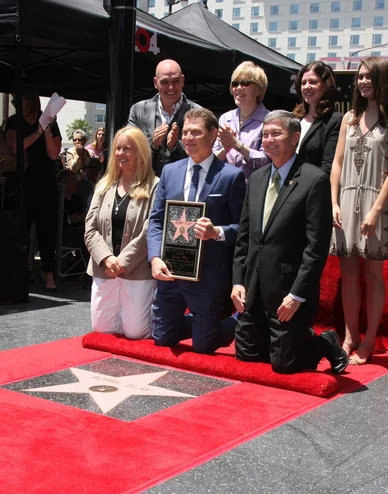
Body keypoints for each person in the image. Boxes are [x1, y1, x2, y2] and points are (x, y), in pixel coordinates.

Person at [232, 110, 348, 375]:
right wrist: (238, 282)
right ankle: (283, 341)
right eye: (265, 134)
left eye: (276, 134)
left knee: (284, 365)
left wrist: (297, 295)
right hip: (254, 290)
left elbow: (316, 248)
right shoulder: (257, 180)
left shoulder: (314, 180)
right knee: (247, 356)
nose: (269, 139)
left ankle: (323, 342)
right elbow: (244, 238)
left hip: (288, 294)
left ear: (295, 138)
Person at [148, 108, 246, 354]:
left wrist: (217, 232)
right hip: (171, 271)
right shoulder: (170, 172)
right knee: (162, 339)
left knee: (204, 347)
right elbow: (156, 220)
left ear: (213, 135)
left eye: (196, 132)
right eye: (185, 132)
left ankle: (237, 321)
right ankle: (202, 324)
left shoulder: (231, 176)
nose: (188, 138)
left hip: (208, 277)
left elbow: (243, 228)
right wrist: (155, 258)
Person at [330, 57, 388, 365]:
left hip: (376, 204)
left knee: (372, 275)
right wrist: (333, 202)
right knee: (347, 275)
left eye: (369, 76)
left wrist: (376, 210)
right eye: (360, 76)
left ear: (382, 79)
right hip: (345, 202)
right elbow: (337, 163)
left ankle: (369, 340)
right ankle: (349, 337)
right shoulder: (348, 118)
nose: (363, 81)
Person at [84, 126, 159, 339]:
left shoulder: (154, 186)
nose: (121, 154)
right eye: (118, 148)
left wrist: (122, 262)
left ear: (141, 153)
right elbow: (90, 228)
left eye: (128, 149)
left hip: (137, 270)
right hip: (104, 268)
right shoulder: (103, 185)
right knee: (102, 329)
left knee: (136, 332)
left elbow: (150, 229)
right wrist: (107, 259)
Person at [5, 85, 61, 291]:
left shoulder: (48, 121)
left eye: (17, 99)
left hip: (45, 183)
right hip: (21, 183)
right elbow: (16, 147)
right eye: (12, 101)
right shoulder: (13, 122)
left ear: (30, 100)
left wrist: (46, 129)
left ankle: (48, 275)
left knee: (47, 231)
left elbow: (54, 154)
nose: (15, 104)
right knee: (21, 231)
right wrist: (37, 131)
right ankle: (20, 274)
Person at [127, 59, 201, 176]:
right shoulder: (138, 110)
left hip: (184, 186)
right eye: (165, 82)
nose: (171, 87)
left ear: (183, 80)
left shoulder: (199, 113)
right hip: (146, 186)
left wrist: (176, 146)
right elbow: (128, 149)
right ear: (155, 83)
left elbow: (203, 154)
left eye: (176, 81)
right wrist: (152, 144)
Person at [214, 61, 270, 182]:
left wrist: (237, 144)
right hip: (225, 187)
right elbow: (212, 159)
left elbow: (267, 160)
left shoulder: (269, 120)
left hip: (254, 190)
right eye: (235, 84)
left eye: (245, 83)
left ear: (259, 90)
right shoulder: (225, 118)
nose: (238, 88)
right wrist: (225, 149)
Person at [294, 61, 342, 175]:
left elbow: (328, 166)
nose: (307, 87)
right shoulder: (295, 118)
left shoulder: (335, 120)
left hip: (314, 187)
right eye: (303, 83)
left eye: (313, 82)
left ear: (326, 85)